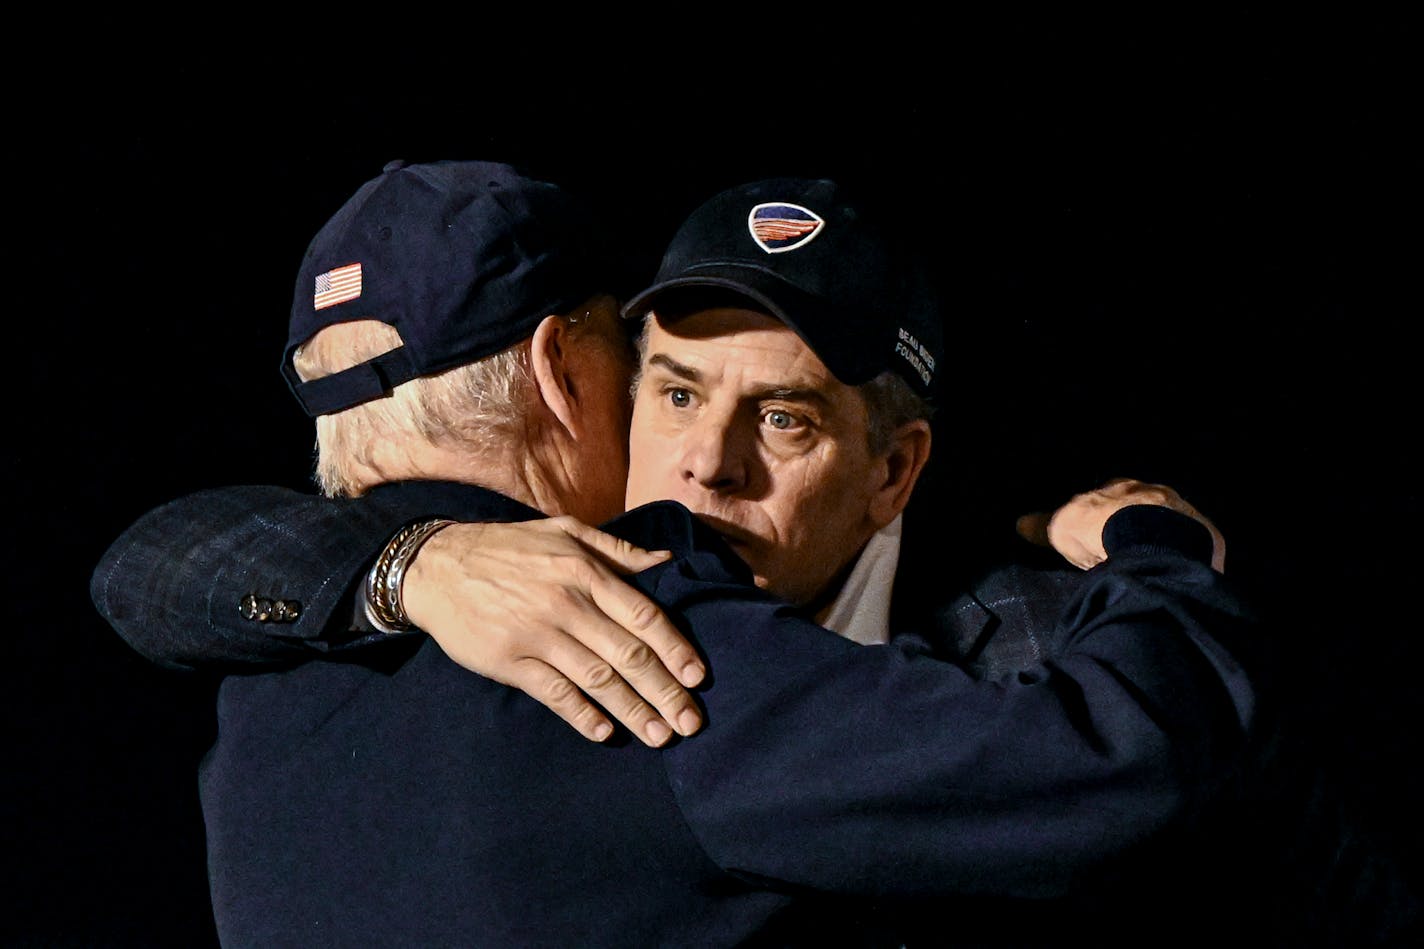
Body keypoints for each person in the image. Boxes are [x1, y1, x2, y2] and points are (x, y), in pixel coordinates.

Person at [92, 160, 1260, 946]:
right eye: (669, 388)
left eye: (785, 417)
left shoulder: (261, 705)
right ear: (567, 372)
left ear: (894, 469)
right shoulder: (658, 652)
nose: (705, 462)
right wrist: (1157, 551)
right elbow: (1124, 757)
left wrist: (408, 568)